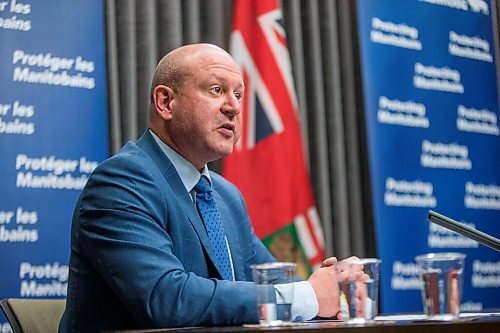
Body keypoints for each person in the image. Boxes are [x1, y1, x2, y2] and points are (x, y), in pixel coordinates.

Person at [59, 43, 345, 333]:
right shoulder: (121, 182)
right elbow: (168, 299)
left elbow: (271, 282)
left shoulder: (225, 196)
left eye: (238, 94)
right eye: (216, 90)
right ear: (165, 102)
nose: (233, 107)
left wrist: (332, 286)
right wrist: (307, 296)